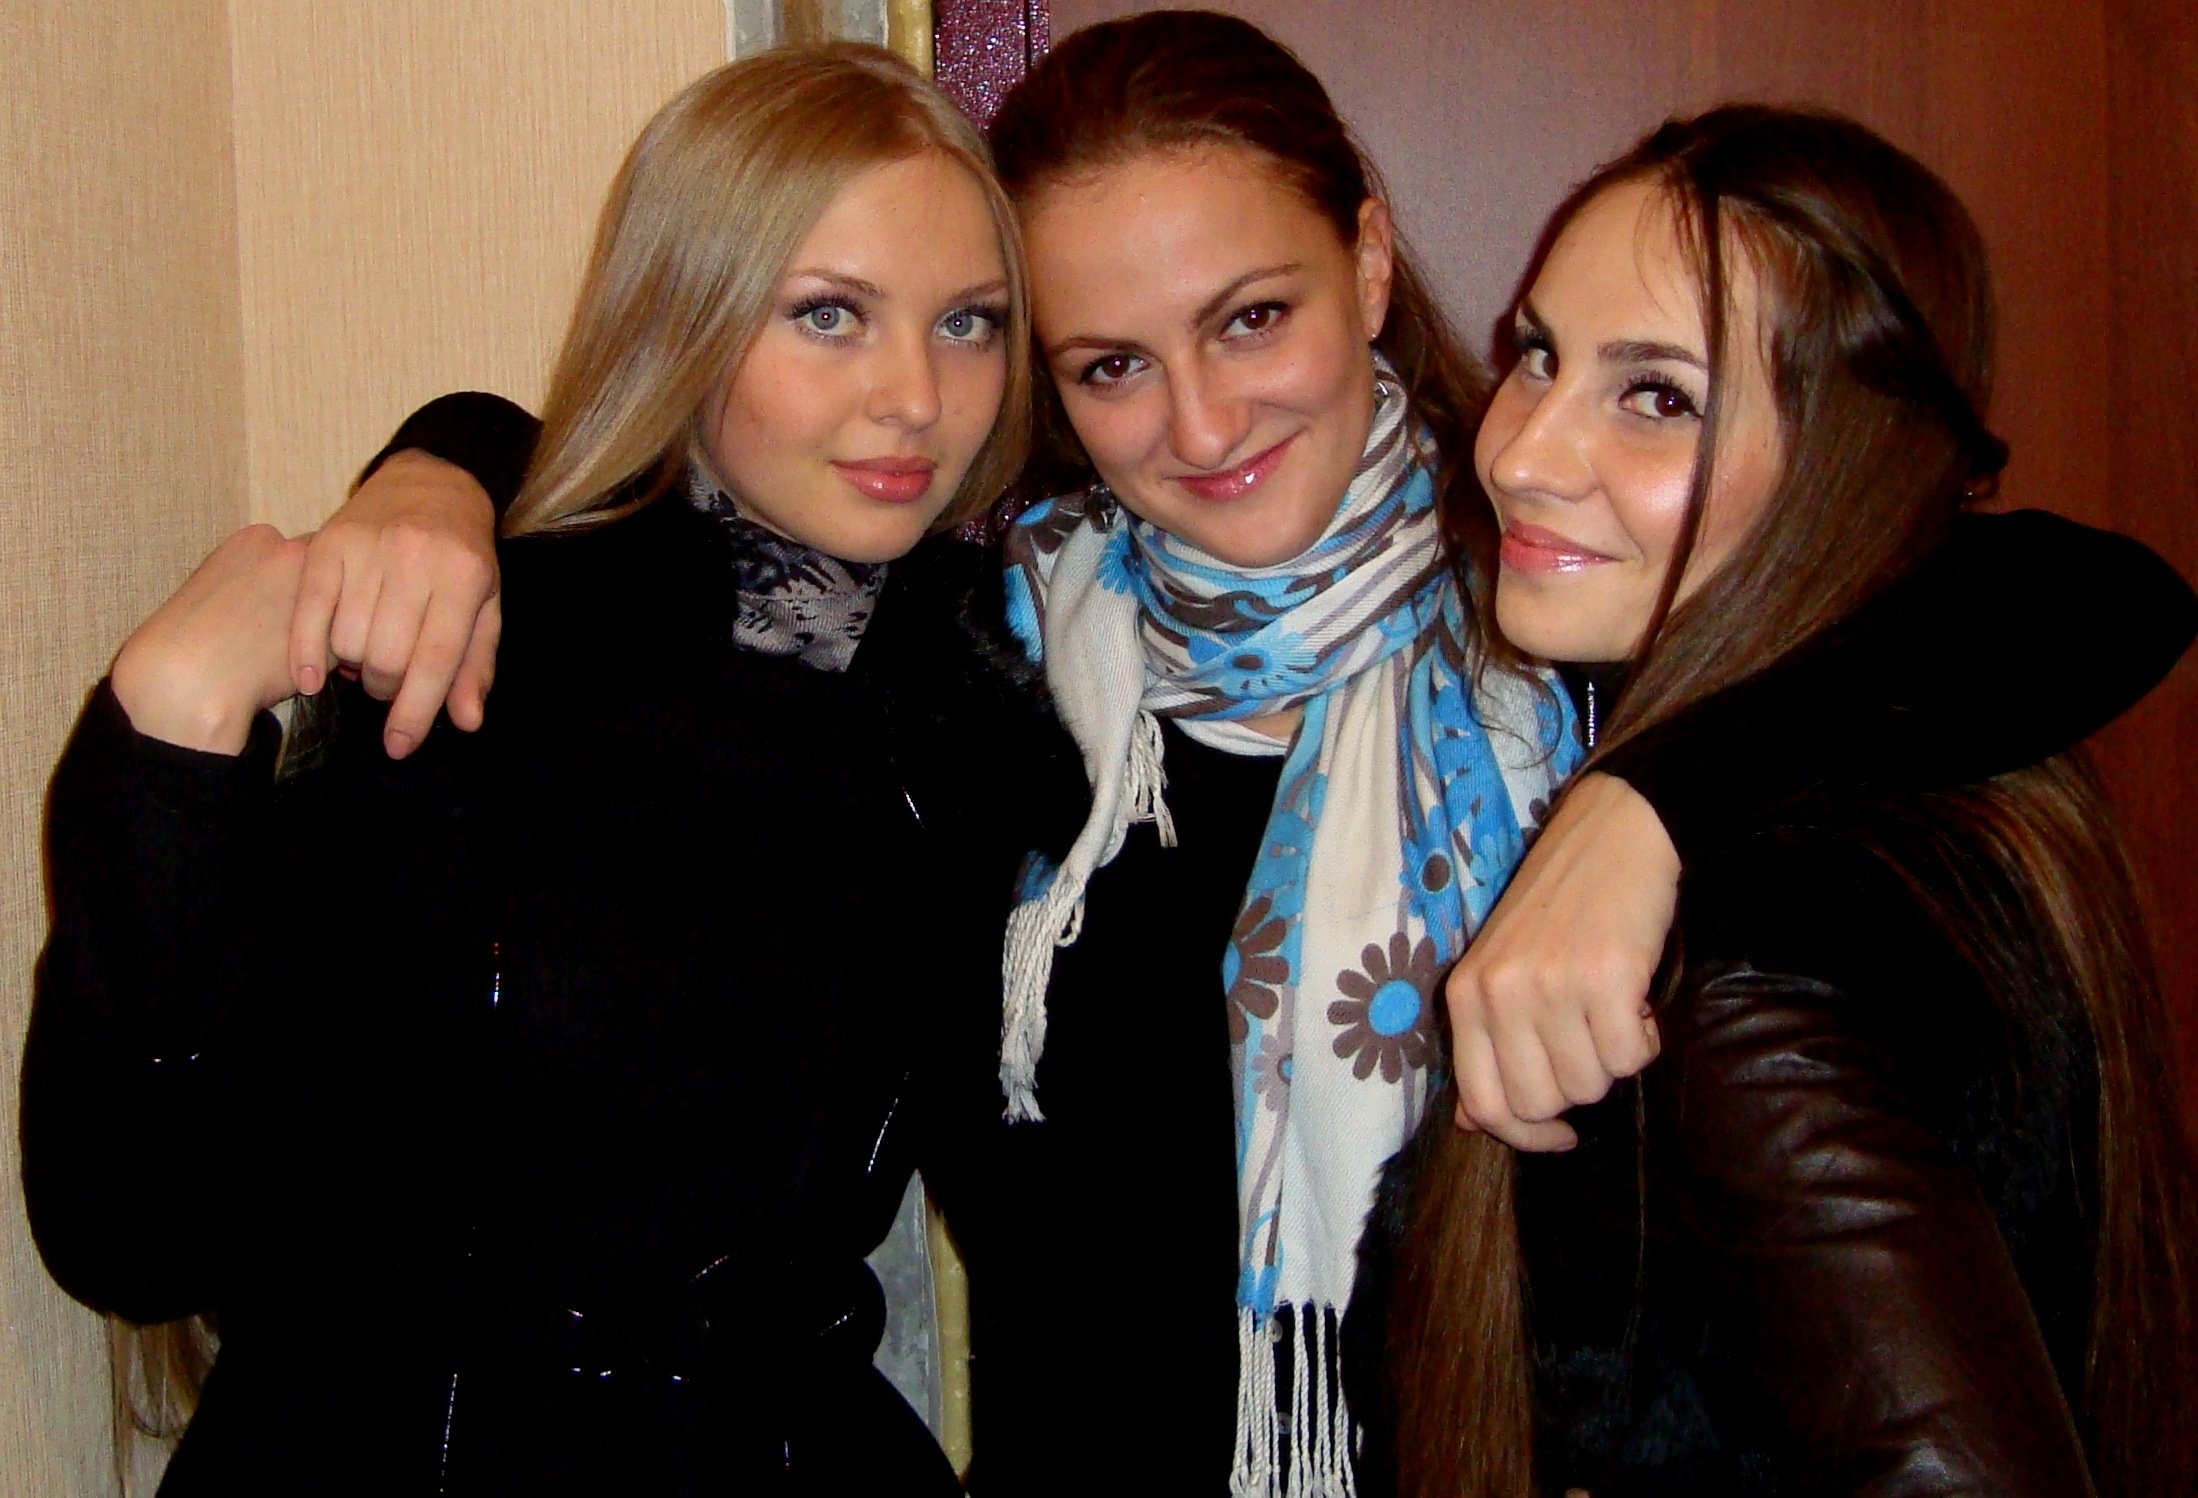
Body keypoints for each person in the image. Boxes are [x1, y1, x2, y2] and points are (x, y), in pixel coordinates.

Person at [295, 16, 2198, 1496]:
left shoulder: (1571, 619)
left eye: (1253, 318)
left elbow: (2079, 588)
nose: (1199, 427)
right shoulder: (991, 656)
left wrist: (1639, 802)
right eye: (1109, 365)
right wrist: (445, 464)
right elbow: (672, 504)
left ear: (1366, 260)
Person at [23, 44, 1053, 1494]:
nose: (915, 396)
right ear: (686, 316)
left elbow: (1064, 1223)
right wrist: (171, 739)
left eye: (967, 323)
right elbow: (133, 1234)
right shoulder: (474, 640)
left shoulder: (985, 708)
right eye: (828, 313)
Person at [1354, 106, 2198, 1498]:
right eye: (1541, 356)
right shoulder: (1896, 760)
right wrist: (1652, 793)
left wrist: (1648, 803)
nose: (1519, 453)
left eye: (1658, 397)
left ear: (1840, 462)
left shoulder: (1747, 964)